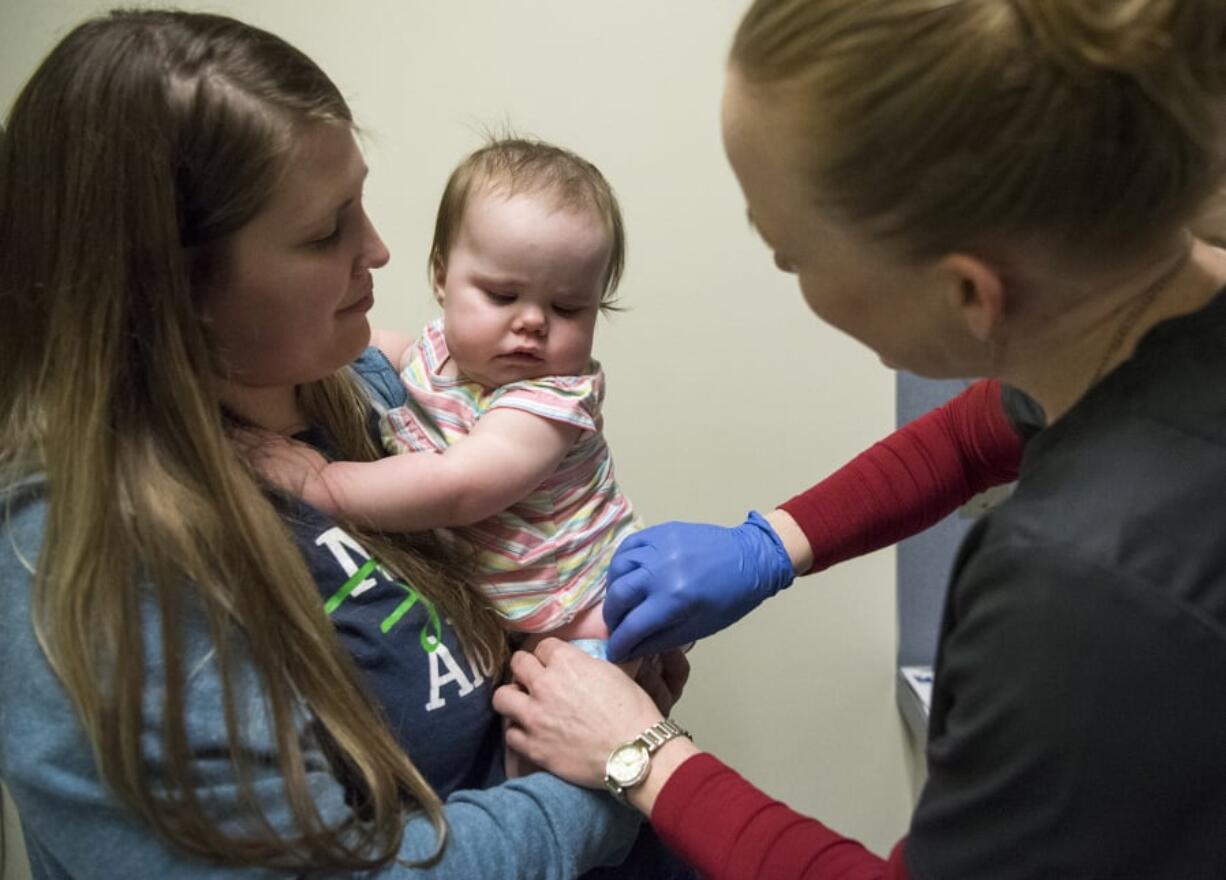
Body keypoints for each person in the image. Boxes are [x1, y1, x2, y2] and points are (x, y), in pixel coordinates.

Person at [495, 0, 1226, 877]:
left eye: (792, 254)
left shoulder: (1076, 587)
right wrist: (774, 545)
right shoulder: (1147, 303)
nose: (780, 268)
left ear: (969, 295)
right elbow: (983, 429)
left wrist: (641, 755)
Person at [0, 9, 679, 877]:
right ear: (173, 284)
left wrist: (605, 671)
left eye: (359, 202)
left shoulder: (361, 393)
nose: (381, 251)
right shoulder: (86, 572)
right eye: (327, 230)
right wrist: (618, 773)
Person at [263, 137, 640, 653]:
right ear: (442, 278)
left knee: (560, 716)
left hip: (576, 610)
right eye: (502, 296)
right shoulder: (441, 348)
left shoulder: (551, 401)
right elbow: (391, 350)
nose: (532, 322)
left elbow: (458, 486)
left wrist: (325, 485)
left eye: (569, 308)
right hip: (500, 615)